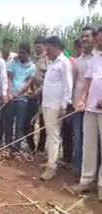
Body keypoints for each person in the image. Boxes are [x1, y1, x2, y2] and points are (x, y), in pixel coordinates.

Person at [71, 27, 102, 200]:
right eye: (98, 40)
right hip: (90, 109)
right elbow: (87, 84)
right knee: (88, 146)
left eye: (101, 40)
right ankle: (86, 180)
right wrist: (82, 99)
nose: (99, 43)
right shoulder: (95, 60)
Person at [40, 36, 73, 181]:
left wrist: (64, 106)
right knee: (50, 134)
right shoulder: (53, 63)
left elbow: (68, 85)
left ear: (56, 47)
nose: (46, 52)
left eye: (48, 49)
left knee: (54, 136)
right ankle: (50, 161)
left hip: (56, 105)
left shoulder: (64, 63)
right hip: (47, 103)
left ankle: (52, 167)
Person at [70, 27, 97, 174]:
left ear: (95, 38)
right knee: (78, 139)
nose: (84, 39)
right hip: (78, 107)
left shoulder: (98, 58)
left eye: (87, 36)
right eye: (82, 37)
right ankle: (79, 170)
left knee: (92, 142)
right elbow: (73, 83)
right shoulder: (77, 62)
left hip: (95, 108)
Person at [4, 42, 36, 153]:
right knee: (8, 121)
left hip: (22, 99)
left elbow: (28, 82)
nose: (21, 54)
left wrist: (18, 94)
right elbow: (9, 78)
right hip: (11, 97)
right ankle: (7, 143)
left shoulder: (32, 67)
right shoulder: (13, 63)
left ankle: (16, 146)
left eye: (23, 53)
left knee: (19, 123)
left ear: (28, 54)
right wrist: (9, 93)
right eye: (20, 52)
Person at [26, 36, 48, 154]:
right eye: (36, 46)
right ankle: (32, 147)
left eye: (40, 46)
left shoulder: (47, 60)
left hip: (44, 95)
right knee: (30, 122)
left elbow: (48, 80)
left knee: (43, 123)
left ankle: (40, 148)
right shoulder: (34, 60)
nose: (38, 49)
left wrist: (38, 91)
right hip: (33, 95)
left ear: (45, 46)